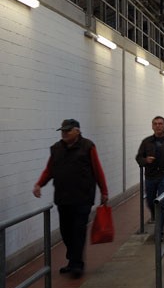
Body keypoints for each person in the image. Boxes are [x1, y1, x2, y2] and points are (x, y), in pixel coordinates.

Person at [32, 119, 109, 278]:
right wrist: (39, 184)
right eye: (63, 131)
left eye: (68, 130)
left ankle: (77, 265)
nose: (65, 133)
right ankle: (72, 259)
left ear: (78, 131)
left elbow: (97, 169)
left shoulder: (88, 146)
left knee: (78, 230)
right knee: (66, 231)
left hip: (83, 197)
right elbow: (49, 170)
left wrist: (104, 191)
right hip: (63, 197)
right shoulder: (56, 148)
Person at [135, 116, 164, 232]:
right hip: (150, 176)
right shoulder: (146, 142)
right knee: (150, 201)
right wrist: (146, 160)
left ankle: (159, 230)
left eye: (160, 124)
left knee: (162, 202)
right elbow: (139, 157)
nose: (158, 126)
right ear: (152, 126)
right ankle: (156, 216)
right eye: (155, 124)